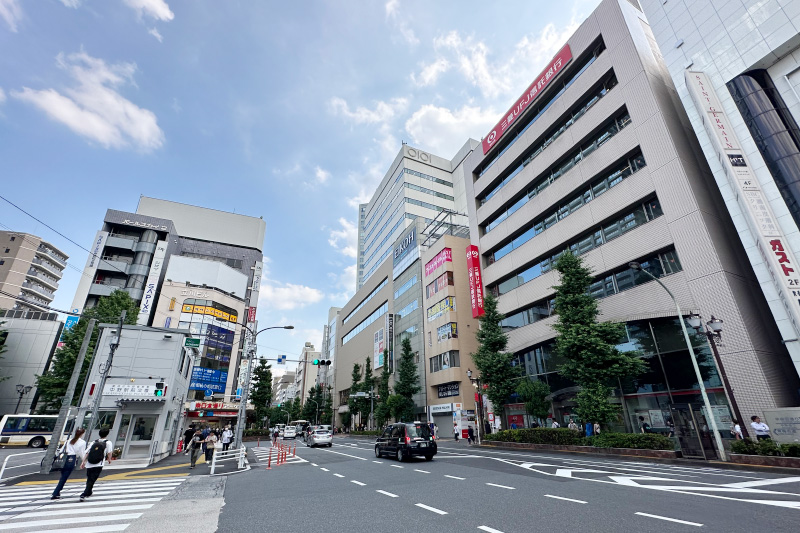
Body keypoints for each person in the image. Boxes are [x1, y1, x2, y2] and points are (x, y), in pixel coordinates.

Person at [51, 428, 87, 500]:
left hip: (63, 458)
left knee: (63, 476)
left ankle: (57, 492)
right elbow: (81, 453)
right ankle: (55, 492)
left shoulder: (68, 440)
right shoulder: (82, 442)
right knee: (64, 477)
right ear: (82, 434)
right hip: (71, 459)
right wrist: (84, 461)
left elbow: (61, 450)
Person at [79, 428, 113, 502]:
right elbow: (109, 452)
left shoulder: (94, 442)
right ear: (107, 434)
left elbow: (87, 452)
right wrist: (109, 459)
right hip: (99, 463)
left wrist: (83, 462)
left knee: (89, 478)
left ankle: (89, 491)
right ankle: (84, 494)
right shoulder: (108, 442)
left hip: (89, 463)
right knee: (92, 479)